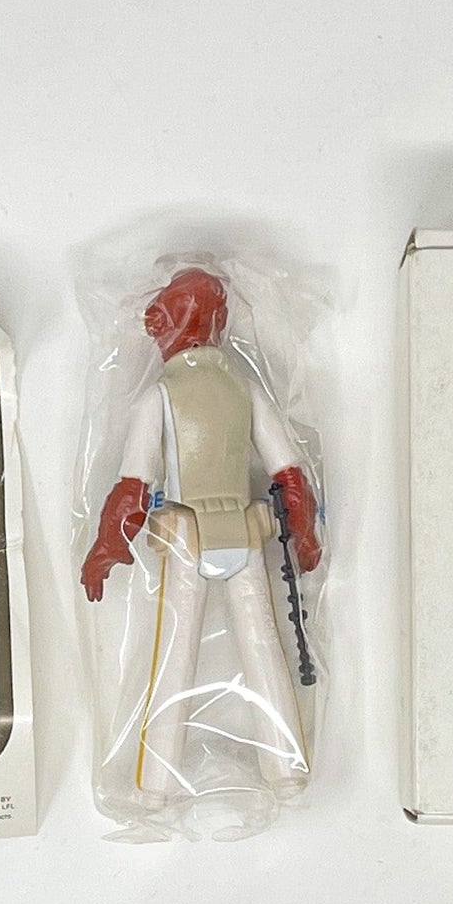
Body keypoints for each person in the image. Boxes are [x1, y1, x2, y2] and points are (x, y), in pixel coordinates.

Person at [80, 267, 321, 804]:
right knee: (264, 649)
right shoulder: (244, 390)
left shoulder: (160, 396)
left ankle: (156, 784)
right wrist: (304, 534)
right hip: (245, 533)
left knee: (174, 659)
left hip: (186, 538)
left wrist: (108, 545)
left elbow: (134, 486)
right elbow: (290, 474)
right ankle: (287, 769)